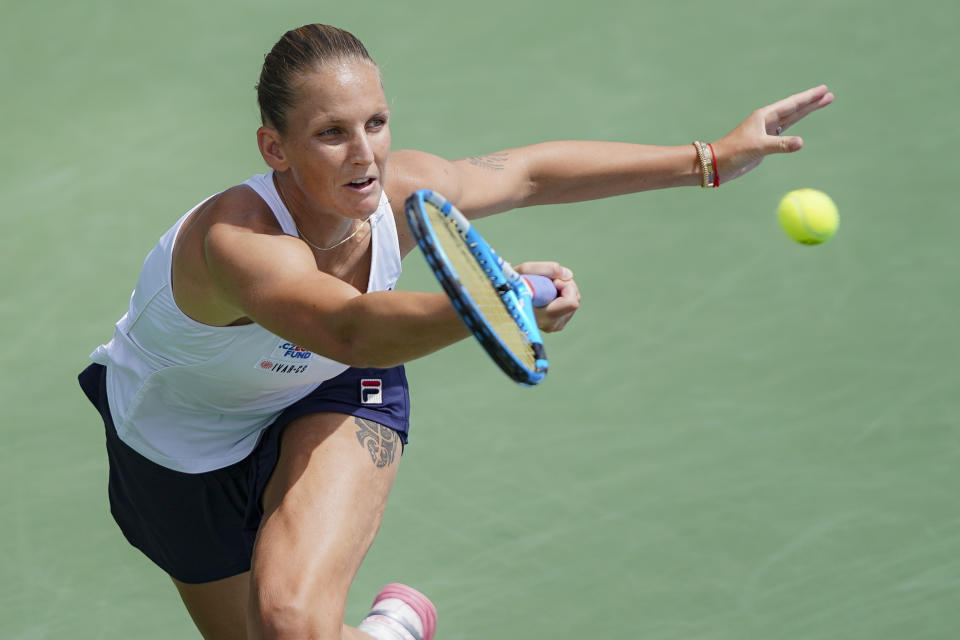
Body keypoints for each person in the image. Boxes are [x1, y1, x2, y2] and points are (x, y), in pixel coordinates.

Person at [78, 23, 833, 640]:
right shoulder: (237, 243)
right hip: (179, 448)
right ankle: (394, 631)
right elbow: (347, 326)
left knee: (291, 626)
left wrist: (711, 159)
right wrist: (496, 304)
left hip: (332, 391)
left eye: (375, 122)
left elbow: (531, 173)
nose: (365, 152)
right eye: (330, 132)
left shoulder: (400, 188)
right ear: (275, 149)